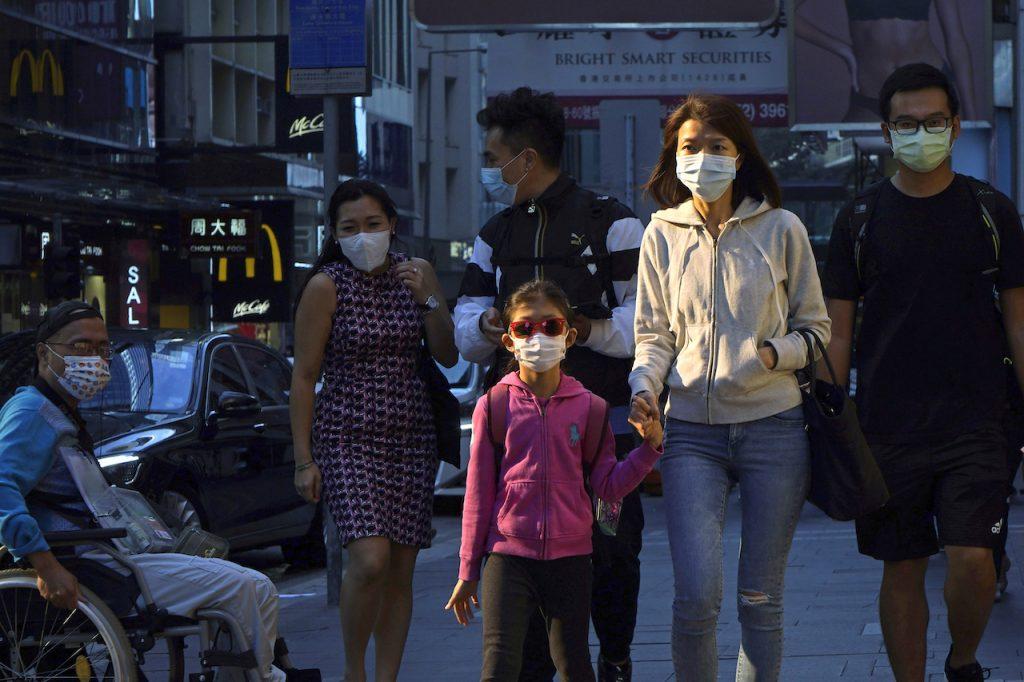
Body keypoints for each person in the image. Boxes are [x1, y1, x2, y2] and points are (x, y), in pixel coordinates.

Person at [821, 63, 1024, 682]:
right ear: (887, 131)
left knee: (972, 557)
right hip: (887, 425)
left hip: (980, 421)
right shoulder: (858, 219)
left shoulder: (991, 212)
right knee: (902, 565)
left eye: (934, 121)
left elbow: (1019, 321)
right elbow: (838, 332)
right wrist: (832, 421)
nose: (921, 133)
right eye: (906, 123)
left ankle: (962, 661)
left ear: (956, 126)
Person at [628, 93, 831, 682]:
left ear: (739, 156)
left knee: (759, 599)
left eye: (716, 146)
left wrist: (772, 353)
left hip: (775, 428)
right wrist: (645, 386)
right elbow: (653, 335)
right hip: (691, 432)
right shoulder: (661, 233)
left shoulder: (782, 228)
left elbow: (816, 328)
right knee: (696, 597)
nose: (703, 158)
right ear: (675, 157)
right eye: (690, 147)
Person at [0, 301, 305, 681]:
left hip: (112, 552)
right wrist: (47, 567)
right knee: (244, 588)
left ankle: (254, 675)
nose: (94, 357)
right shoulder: (32, 412)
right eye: (80, 346)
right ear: (45, 353)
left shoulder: (58, 410)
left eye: (102, 347)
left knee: (258, 588)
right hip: (89, 564)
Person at [454, 86, 647, 682]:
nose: (489, 169)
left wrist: (583, 329)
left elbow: (647, 324)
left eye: (493, 158)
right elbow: (465, 329)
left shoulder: (612, 222)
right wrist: (487, 325)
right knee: (523, 557)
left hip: (605, 429)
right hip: (519, 435)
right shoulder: (495, 234)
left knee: (613, 548)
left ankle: (615, 657)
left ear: (526, 158)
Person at [446, 279, 663, 682]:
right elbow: (477, 495)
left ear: (569, 336)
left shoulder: (591, 408)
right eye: (524, 328)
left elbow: (608, 486)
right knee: (499, 667)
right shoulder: (493, 405)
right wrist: (467, 570)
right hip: (507, 558)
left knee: (574, 665)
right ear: (509, 341)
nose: (538, 336)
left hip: (571, 560)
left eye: (551, 326)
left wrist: (649, 450)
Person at [290, 179, 457, 682]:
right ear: (333, 233)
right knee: (369, 559)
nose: (362, 235)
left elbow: (448, 354)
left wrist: (428, 300)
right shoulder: (327, 286)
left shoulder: (417, 272)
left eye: (372, 224)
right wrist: (303, 459)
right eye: (349, 228)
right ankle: (354, 672)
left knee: (401, 568)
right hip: (347, 436)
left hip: (412, 437)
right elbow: (304, 376)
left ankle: (386, 677)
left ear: (392, 225)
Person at [795, 0, 977, 122]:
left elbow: (956, 40)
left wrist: (973, 118)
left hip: (928, 88)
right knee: (856, 163)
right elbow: (785, 11)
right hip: (871, 95)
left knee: (936, 164)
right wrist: (843, 50)